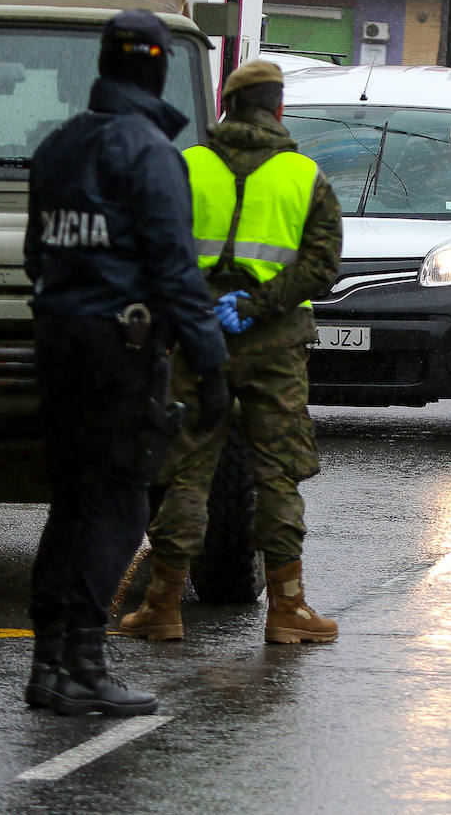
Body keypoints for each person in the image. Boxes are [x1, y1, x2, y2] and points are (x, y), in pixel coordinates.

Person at [22, 10, 230, 717]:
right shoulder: (149, 153)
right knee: (117, 504)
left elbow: (34, 257)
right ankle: (81, 662)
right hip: (121, 351)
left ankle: (50, 664)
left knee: (72, 502)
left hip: (56, 340)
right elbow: (176, 270)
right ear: (158, 68)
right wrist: (211, 365)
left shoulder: (57, 146)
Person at [120, 60, 343, 645]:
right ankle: (288, 611)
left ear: (224, 104)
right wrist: (257, 303)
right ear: (279, 109)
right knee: (277, 476)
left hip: (198, 340)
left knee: (187, 471)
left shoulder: (186, 166)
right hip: (275, 349)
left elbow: (152, 253)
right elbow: (322, 268)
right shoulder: (305, 176)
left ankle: (163, 606)